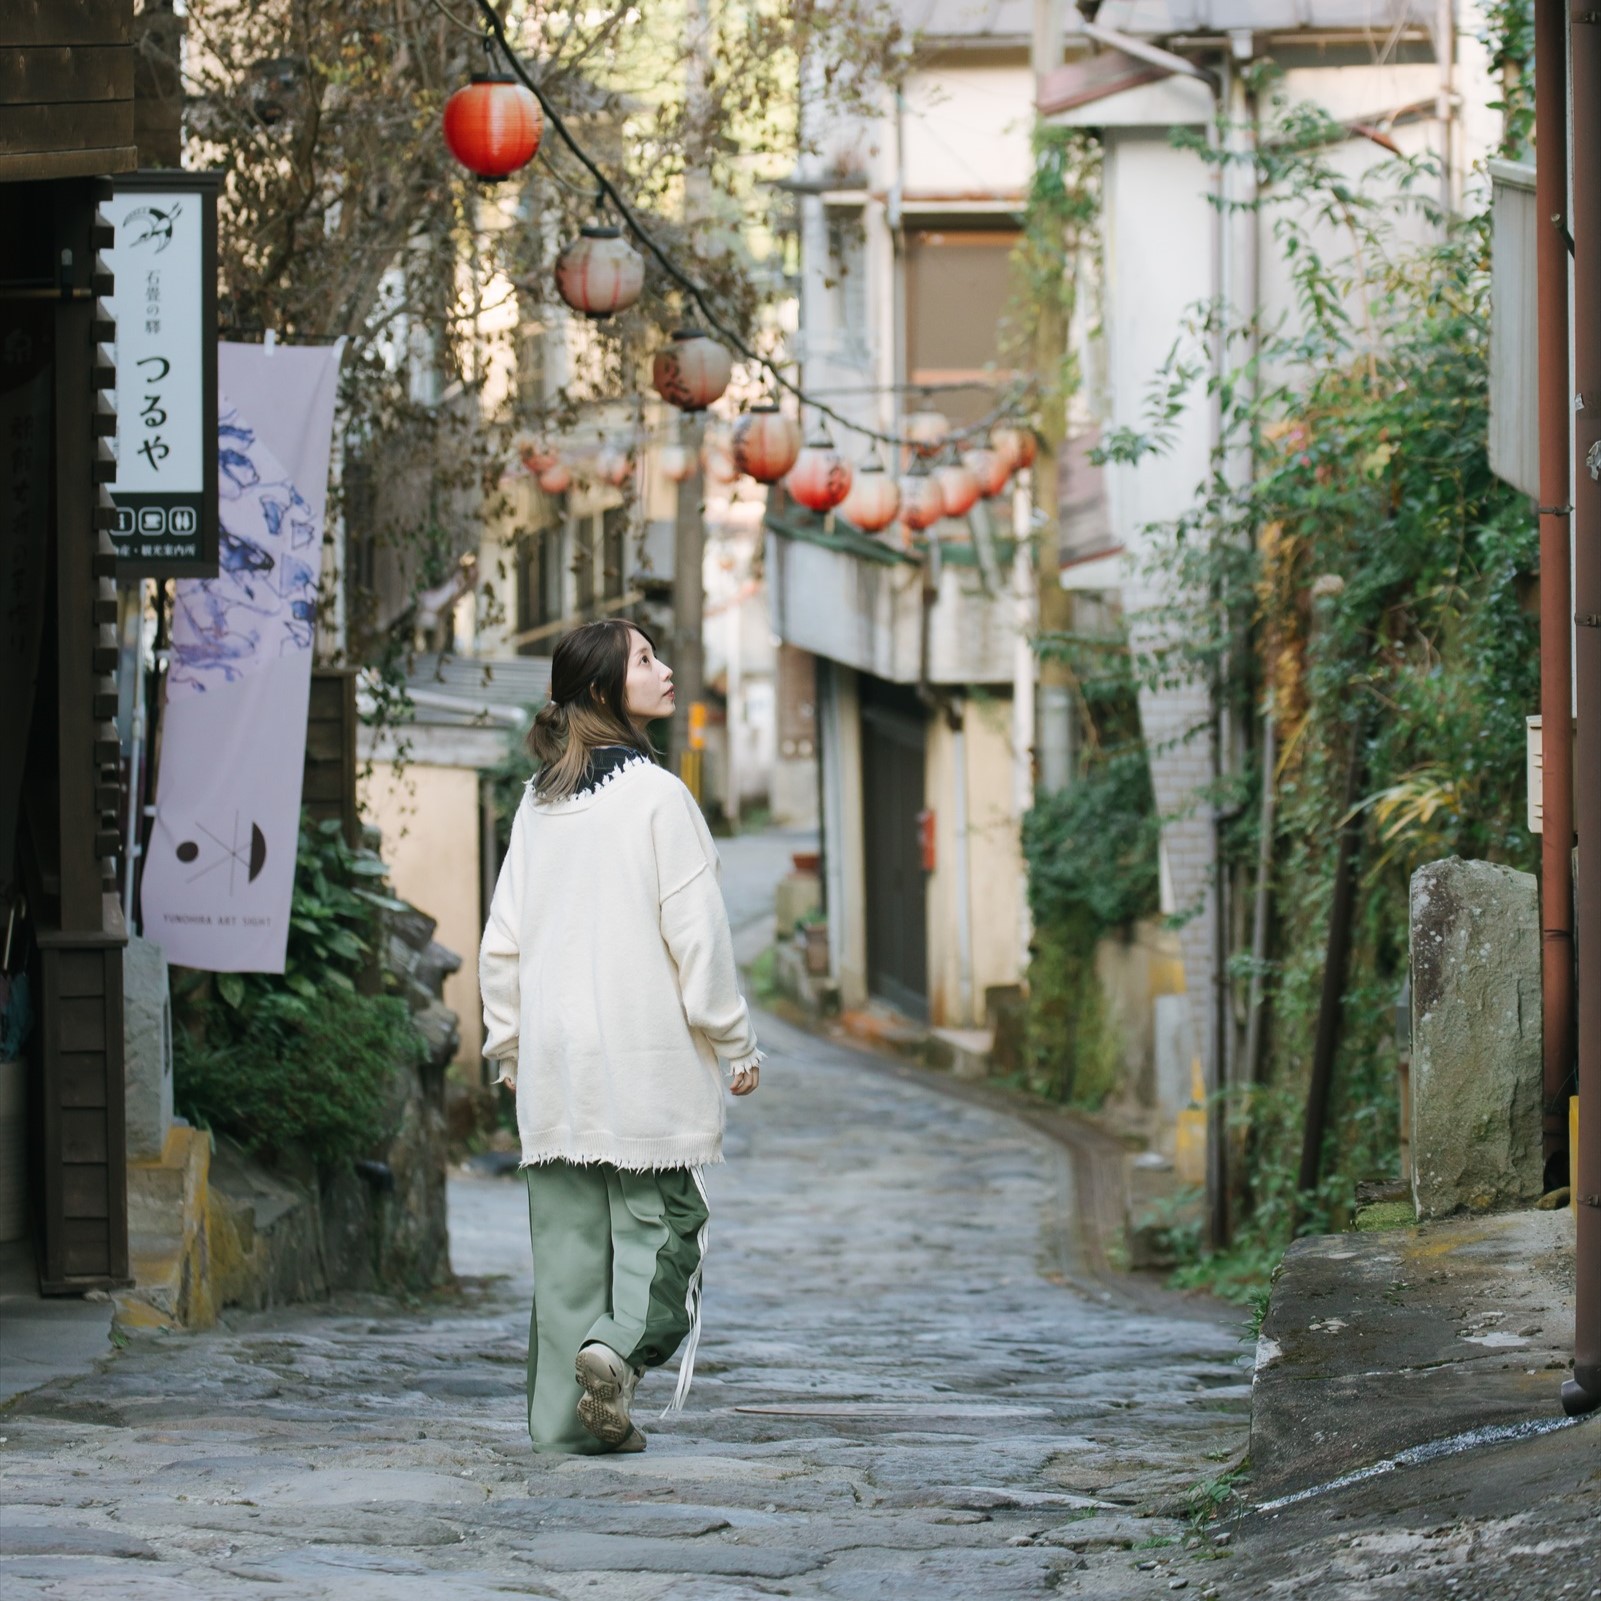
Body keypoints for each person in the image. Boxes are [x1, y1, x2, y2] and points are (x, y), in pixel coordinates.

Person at [479, 618, 762, 1455]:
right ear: (605, 690)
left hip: (555, 1071)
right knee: (664, 1236)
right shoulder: (657, 797)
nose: (666, 669)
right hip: (643, 1066)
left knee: (566, 1255)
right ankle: (616, 1349)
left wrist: (507, 1046)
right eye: (645, 659)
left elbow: (503, 938)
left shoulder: (539, 801)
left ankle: (568, 1428)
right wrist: (735, 1042)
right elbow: (698, 937)